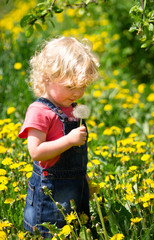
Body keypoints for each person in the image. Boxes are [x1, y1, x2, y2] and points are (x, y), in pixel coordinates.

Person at [19, 36, 99, 238]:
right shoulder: (39, 111)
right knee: (52, 234)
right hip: (51, 195)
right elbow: (36, 152)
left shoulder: (73, 110)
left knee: (77, 233)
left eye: (83, 86)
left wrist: (84, 178)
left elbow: (75, 155)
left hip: (76, 189)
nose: (79, 93)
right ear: (47, 77)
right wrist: (69, 140)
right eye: (71, 87)